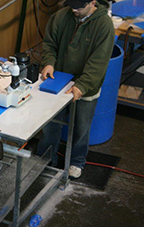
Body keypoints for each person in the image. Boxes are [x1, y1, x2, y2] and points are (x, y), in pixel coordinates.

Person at [37, 0, 115, 178]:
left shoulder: (104, 25)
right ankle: (46, 158)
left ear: (92, 2)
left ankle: (77, 161)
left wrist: (83, 85)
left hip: (86, 85)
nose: (74, 9)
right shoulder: (61, 16)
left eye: (79, 6)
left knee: (81, 127)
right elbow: (50, 44)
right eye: (71, 4)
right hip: (59, 81)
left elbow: (98, 62)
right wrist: (48, 63)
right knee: (51, 124)